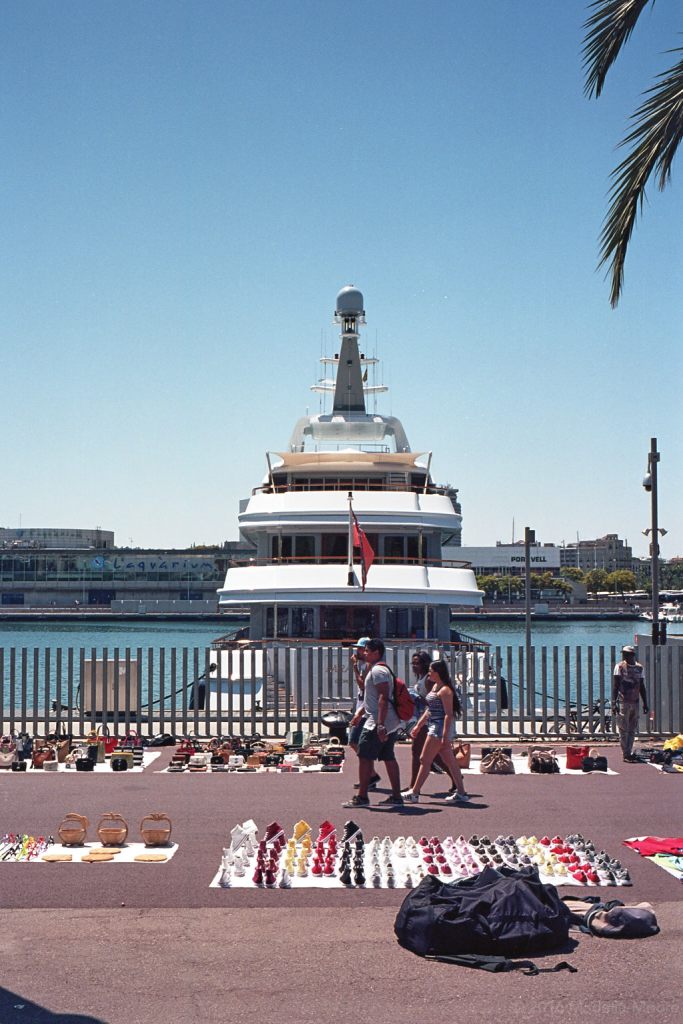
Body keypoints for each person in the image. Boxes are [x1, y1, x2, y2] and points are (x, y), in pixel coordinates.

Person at [343, 637, 403, 808]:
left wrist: (380, 724)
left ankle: (362, 797)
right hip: (386, 720)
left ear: (376, 652)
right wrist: (360, 713)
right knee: (388, 756)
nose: (364, 653)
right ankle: (396, 796)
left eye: (368, 651)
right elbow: (372, 698)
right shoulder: (378, 670)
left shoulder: (377, 672)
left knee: (364, 756)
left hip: (377, 721)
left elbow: (382, 698)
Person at [401, 659, 470, 804]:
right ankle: (462, 793)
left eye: (431, 671)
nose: (429, 674)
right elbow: (429, 710)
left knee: (424, 760)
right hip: (433, 726)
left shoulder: (445, 690)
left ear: (438, 673)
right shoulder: (435, 687)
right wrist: (418, 726)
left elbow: (448, 714)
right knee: (450, 762)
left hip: (438, 729)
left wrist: (445, 735)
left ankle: (414, 792)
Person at [408, 650, 454, 788]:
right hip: (425, 718)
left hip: (430, 720)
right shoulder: (422, 677)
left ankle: (413, 787)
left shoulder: (428, 680)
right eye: (413, 663)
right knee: (433, 755)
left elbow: (432, 701)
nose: (415, 666)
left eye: (418, 663)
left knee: (418, 752)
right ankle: (455, 776)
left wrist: (416, 698)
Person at [349, 637, 381, 791]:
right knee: (358, 743)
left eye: (361, 648)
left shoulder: (368, 666)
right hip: (361, 708)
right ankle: (371, 775)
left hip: (365, 710)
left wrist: (354, 667)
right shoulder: (366, 665)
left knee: (355, 741)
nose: (358, 651)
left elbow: (363, 686)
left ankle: (371, 775)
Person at [612, 645, 649, 762]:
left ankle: (629, 751)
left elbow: (642, 686)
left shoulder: (640, 668)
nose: (624, 656)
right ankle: (626, 753)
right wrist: (614, 703)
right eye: (623, 654)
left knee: (632, 729)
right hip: (623, 702)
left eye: (626, 654)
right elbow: (615, 686)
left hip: (635, 702)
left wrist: (645, 703)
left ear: (632, 655)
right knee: (623, 729)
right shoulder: (619, 667)